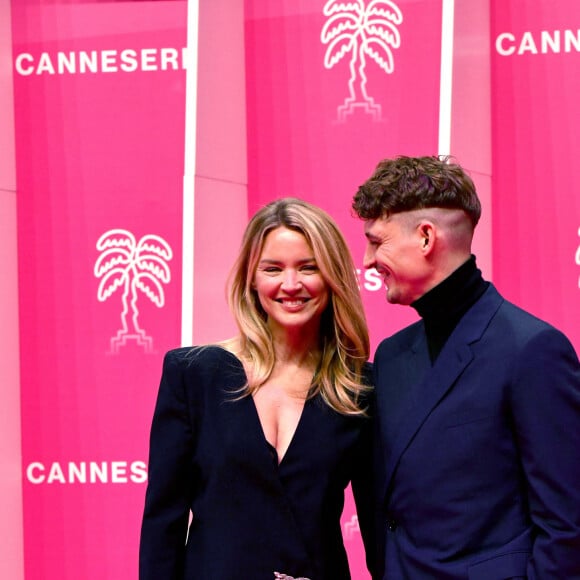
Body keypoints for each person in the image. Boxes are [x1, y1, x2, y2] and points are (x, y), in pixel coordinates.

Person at [352, 155, 580, 579]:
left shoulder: (532, 350)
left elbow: (567, 524)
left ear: (425, 237)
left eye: (377, 241)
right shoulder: (391, 355)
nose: (366, 260)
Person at [139, 198, 375, 579]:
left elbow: (378, 526)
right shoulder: (194, 374)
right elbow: (162, 523)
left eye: (308, 268)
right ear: (251, 277)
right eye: (273, 268)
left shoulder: (359, 387)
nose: (291, 284)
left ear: (332, 276)